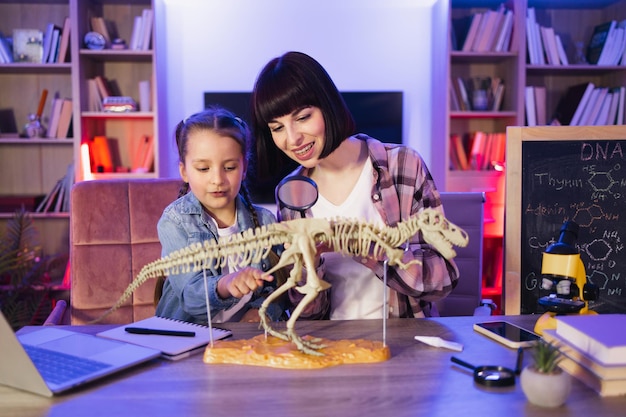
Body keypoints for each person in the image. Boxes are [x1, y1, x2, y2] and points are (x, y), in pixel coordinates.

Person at [250, 51, 459, 320]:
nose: (292, 139)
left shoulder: (402, 165)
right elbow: (307, 314)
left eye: (303, 117)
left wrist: (370, 249)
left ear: (327, 105)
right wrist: (309, 266)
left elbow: (443, 279)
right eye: (277, 128)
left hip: (403, 343)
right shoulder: (291, 192)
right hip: (329, 348)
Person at [155, 107, 286, 324]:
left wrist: (259, 312)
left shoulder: (265, 222)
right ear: (184, 171)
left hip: (246, 342)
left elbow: (277, 287)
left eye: (229, 167)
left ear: (244, 168)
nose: (217, 179)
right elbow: (191, 297)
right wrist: (226, 284)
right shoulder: (175, 222)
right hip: (188, 337)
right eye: (203, 169)